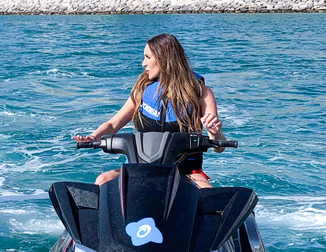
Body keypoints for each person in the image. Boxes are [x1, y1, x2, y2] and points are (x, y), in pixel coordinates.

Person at [73, 33, 226, 189]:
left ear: (163, 59)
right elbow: (113, 125)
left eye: (147, 57)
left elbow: (218, 147)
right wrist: (93, 137)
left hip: (184, 170)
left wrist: (214, 133)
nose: (143, 63)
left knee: (205, 190)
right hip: (139, 166)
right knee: (103, 180)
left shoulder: (201, 93)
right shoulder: (142, 90)